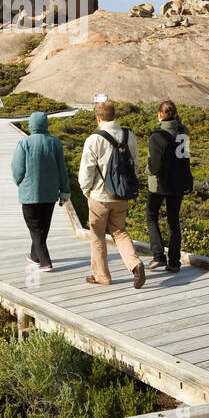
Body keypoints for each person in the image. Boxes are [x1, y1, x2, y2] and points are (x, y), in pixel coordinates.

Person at [77, 100, 146, 288]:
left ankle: (102, 276)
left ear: (98, 118)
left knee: (98, 236)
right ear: (115, 116)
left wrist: (86, 191)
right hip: (122, 195)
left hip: (99, 196)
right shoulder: (128, 135)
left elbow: (86, 173)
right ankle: (135, 264)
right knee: (120, 231)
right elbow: (136, 166)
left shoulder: (94, 139)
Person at [10, 111, 70, 272]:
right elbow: (62, 170)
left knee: (35, 229)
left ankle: (45, 262)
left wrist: (20, 183)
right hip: (50, 194)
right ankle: (34, 256)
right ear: (45, 124)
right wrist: (65, 192)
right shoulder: (55, 143)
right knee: (42, 227)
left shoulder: (24, 143)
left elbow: (17, 170)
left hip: (30, 194)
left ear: (31, 124)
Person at [146, 99, 191, 273]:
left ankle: (158, 256)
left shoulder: (156, 136)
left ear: (159, 115)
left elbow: (154, 166)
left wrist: (146, 170)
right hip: (179, 182)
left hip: (159, 184)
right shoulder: (184, 132)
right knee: (173, 220)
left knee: (151, 216)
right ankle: (174, 262)